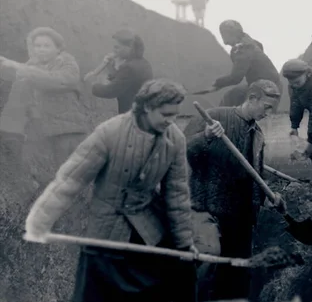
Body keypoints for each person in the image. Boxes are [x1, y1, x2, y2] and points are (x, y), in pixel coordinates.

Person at [24, 79, 199, 302]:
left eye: (175, 115)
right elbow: (70, 181)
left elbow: (177, 195)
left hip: (149, 230)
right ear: (147, 107)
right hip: (107, 232)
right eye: (166, 115)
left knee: (177, 280)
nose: (171, 121)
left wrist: (185, 243)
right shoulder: (110, 133)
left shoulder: (175, 140)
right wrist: (39, 222)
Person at [184, 79, 285, 300]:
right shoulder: (213, 116)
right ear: (252, 98)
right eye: (267, 106)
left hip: (240, 214)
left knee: (238, 271)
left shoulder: (257, 134)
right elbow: (182, 151)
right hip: (207, 207)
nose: (269, 113)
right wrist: (206, 137)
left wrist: (269, 198)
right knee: (207, 260)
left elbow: (256, 174)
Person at [0, 27, 89, 188]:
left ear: (58, 48)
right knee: (42, 173)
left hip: (67, 128)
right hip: (40, 128)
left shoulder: (66, 62)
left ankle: (82, 209)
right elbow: (17, 86)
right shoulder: (32, 64)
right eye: (37, 46)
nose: (41, 50)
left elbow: (60, 81)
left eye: (46, 46)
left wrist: (19, 67)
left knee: (71, 175)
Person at [199, 20, 283, 110]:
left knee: (230, 98)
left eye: (224, 33)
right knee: (234, 94)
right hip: (274, 87)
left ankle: (221, 121)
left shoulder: (242, 49)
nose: (222, 35)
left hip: (265, 89)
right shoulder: (250, 42)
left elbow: (236, 78)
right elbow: (260, 46)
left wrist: (217, 84)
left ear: (229, 34)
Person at [87, 29, 153, 114]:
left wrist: (92, 85)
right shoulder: (144, 63)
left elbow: (111, 91)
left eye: (117, 47)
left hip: (132, 117)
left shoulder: (129, 67)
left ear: (130, 47)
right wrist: (111, 67)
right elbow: (124, 81)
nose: (114, 50)